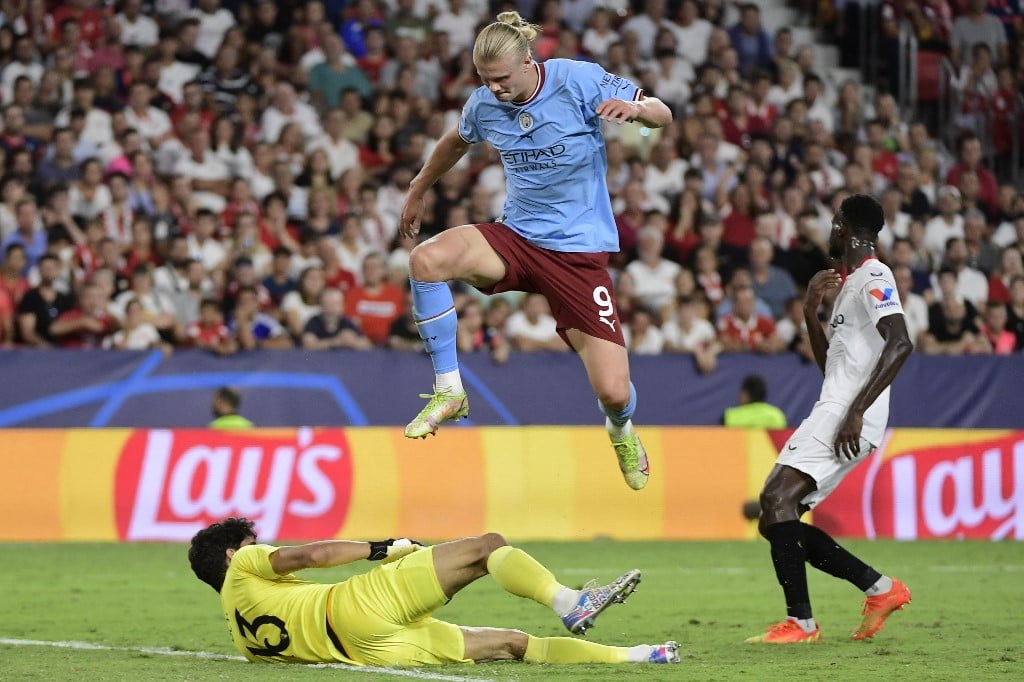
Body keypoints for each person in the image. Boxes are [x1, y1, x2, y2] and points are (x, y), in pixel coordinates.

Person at [398, 12, 672, 490]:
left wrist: (638, 113)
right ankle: (449, 390)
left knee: (612, 391)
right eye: (486, 80)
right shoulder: (484, 104)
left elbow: (661, 112)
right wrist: (419, 188)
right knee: (426, 259)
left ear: (529, 60)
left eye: (502, 79)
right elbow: (454, 143)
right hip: (518, 239)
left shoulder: (578, 79)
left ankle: (621, 430)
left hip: (578, 255)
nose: (495, 89)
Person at [748, 195, 914, 644]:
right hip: (836, 404)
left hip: (847, 413)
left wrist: (857, 410)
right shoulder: (849, 287)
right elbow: (832, 370)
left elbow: (900, 342)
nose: (830, 228)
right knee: (775, 519)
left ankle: (801, 624)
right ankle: (881, 589)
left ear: (842, 227)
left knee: (775, 498)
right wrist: (809, 314)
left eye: (833, 222)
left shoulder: (875, 276)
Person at [188, 518, 680, 667]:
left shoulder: (240, 637)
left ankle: (644, 656)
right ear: (233, 555)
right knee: (487, 547)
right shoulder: (247, 566)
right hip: (357, 606)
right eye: (252, 543)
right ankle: (571, 603)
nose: (262, 546)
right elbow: (310, 557)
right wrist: (382, 548)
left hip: (371, 652)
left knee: (511, 644)